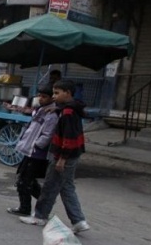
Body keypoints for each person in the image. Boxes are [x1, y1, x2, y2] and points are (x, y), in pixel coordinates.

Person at [20, 79, 90, 234]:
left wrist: (62, 159)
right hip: (72, 154)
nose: (54, 96)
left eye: (57, 93)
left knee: (51, 186)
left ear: (68, 93)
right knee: (65, 186)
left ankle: (41, 216)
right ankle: (78, 220)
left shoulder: (68, 113)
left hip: (63, 155)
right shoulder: (69, 109)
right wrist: (57, 110)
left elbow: (69, 137)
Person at [7, 85, 58, 217]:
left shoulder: (51, 114)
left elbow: (47, 134)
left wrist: (36, 145)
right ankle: (42, 202)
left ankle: (30, 207)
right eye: (39, 96)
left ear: (51, 98)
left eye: (44, 97)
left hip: (37, 153)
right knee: (25, 179)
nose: (40, 99)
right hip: (30, 150)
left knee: (25, 181)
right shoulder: (40, 110)